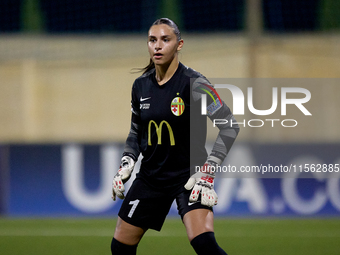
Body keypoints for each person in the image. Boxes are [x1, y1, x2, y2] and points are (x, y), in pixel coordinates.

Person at [111, 18, 239, 255]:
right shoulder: (140, 86)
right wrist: (127, 162)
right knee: (119, 247)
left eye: (165, 40)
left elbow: (229, 126)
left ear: (179, 45)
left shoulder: (196, 84)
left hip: (189, 177)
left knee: (204, 243)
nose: (157, 46)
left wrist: (209, 170)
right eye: (152, 40)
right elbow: (136, 132)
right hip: (151, 178)